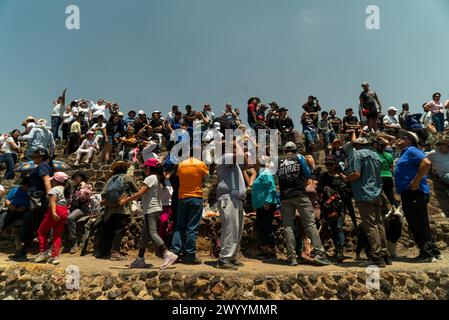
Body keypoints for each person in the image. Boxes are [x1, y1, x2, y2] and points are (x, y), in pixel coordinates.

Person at [276, 142, 331, 266]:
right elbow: (307, 174)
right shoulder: (300, 157)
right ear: (295, 150)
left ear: (285, 150)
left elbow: (275, 175)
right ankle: (319, 254)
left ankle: (292, 257)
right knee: (310, 225)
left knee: (288, 227)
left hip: (285, 196)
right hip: (300, 195)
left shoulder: (278, 160)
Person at [120, 158, 178, 269]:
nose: (144, 170)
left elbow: (139, 194)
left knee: (152, 233)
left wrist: (125, 201)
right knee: (144, 236)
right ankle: (140, 259)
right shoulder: (158, 178)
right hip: (155, 209)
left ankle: (167, 254)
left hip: (151, 210)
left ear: (149, 168)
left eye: (145, 167)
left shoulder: (150, 178)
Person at [394, 131, 442, 262]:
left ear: (410, 140)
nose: (398, 139)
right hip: (411, 192)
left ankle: (426, 254)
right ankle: (433, 251)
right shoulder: (405, 152)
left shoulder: (412, 150)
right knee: (421, 222)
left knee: (417, 223)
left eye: (402, 137)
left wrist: (416, 181)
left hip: (414, 192)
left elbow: (426, 163)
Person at [343, 137, 390, 267]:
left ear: (357, 145)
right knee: (379, 223)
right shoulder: (376, 155)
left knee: (370, 225)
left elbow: (356, 174)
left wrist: (347, 179)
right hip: (376, 192)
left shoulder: (357, 154)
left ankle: (376, 256)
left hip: (364, 193)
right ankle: (385, 255)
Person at [161, 146, 209, 268]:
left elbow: (177, 178)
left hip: (182, 198)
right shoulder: (201, 164)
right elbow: (207, 179)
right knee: (192, 228)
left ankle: (174, 252)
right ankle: (190, 256)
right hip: (196, 197)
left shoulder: (181, 165)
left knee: (179, 226)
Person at [9, 148, 53, 262]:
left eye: (37, 157)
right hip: (36, 202)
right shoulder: (42, 166)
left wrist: (50, 196)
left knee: (30, 226)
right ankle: (23, 251)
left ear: (42, 157)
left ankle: (43, 252)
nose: (34, 159)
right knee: (34, 227)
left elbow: (47, 180)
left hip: (39, 202)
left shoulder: (43, 166)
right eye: (34, 157)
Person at [214, 142, 247, 270]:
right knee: (230, 229)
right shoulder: (225, 157)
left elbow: (249, 163)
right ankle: (224, 259)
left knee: (236, 230)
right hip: (228, 198)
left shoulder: (234, 164)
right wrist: (236, 143)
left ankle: (231, 257)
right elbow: (239, 156)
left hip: (235, 199)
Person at [98, 161, 139, 260]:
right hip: (122, 208)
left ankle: (105, 251)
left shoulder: (110, 179)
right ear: (125, 169)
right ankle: (115, 252)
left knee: (109, 230)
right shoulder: (127, 178)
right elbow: (136, 190)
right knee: (118, 230)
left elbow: (103, 194)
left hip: (110, 210)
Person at [34, 172, 70, 265]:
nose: (52, 182)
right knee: (57, 235)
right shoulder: (66, 190)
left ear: (55, 181)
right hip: (64, 211)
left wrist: (53, 212)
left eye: (53, 180)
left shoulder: (54, 189)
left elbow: (53, 200)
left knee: (41, 231)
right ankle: (55, 257)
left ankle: (44, 252)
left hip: (55, 210)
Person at [317, 155, 347, 262]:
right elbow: (319, 191)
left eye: (331, 164)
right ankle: (337, 250)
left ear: (335, 164)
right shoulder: (322, 176)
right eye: (327, 164)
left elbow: (347, 189)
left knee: (339, 227)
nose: (329, 166)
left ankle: (340, 250)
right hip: (328, 207)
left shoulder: (341, 176)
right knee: (334, 229)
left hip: (340, 206)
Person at [252, 160, 278, 262]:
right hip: (261, 206)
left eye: (255, 163)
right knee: (261, 227)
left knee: (267, 227)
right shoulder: (260, 173)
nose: (253, 165)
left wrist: (267, 202)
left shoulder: (266, 173)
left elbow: (271, 189)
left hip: (266, 205)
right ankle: (265, 251)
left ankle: (271, 253)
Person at [66, 171, 93, 254]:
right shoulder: (74, 187)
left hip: (83, 208)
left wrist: (82, 187)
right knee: (60, 214)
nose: (76, 178)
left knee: (70, 218)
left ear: (82, 178)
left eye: (78, 177)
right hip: (73, 207)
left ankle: (74, 242)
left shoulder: (87, 186)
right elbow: (70, 199)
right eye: (75, 177)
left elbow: (83, 197)